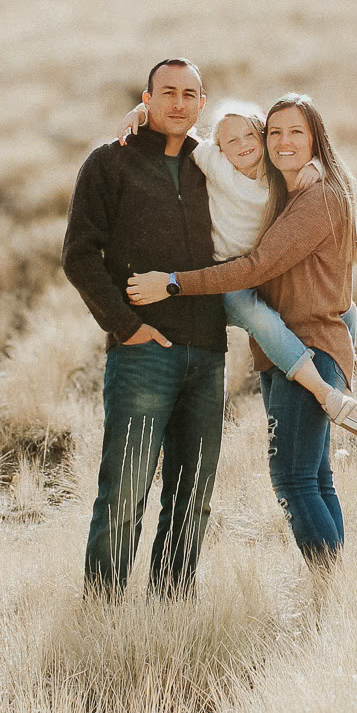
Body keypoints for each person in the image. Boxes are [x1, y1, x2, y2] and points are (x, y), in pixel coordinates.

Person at [129, 93, 357, 569]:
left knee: (293, 479)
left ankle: (327, 586)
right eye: (275, 132)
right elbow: (209, 150)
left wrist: (174, 283)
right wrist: (144, 119)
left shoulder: (317, 198)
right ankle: (338, 589)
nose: (282, 142)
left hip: (311, 343)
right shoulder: (293, 190)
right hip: (290, 344)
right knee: (316, 477)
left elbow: (254, 267)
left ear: (316, 137)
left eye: (295, 132)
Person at [119, 97, 357, 440]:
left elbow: (305, 161)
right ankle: (326, 393)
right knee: (256, 315)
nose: (243, 145)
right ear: (220, 147)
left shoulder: (277, 176)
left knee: (341, 309)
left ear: (262, 138)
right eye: (232, 140)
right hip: (223, 276)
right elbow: (176, 128)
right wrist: (142, 113)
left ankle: (339, 386)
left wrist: (317, 166)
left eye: (251, 135)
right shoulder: (213, 161)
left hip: (253, 274)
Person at [62, 58, 227, 598]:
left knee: (193, 493)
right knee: (125, 492)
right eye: (167, 92)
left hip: (208, 353)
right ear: (148, 97)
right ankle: (103, 614)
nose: (178, 102)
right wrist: (126, 327)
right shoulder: (111, 163)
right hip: (142, 355)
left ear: (202, 105)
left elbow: (272, 156)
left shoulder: (215, 167)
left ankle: (169, 610)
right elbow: (80, 256)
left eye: (190, 94)